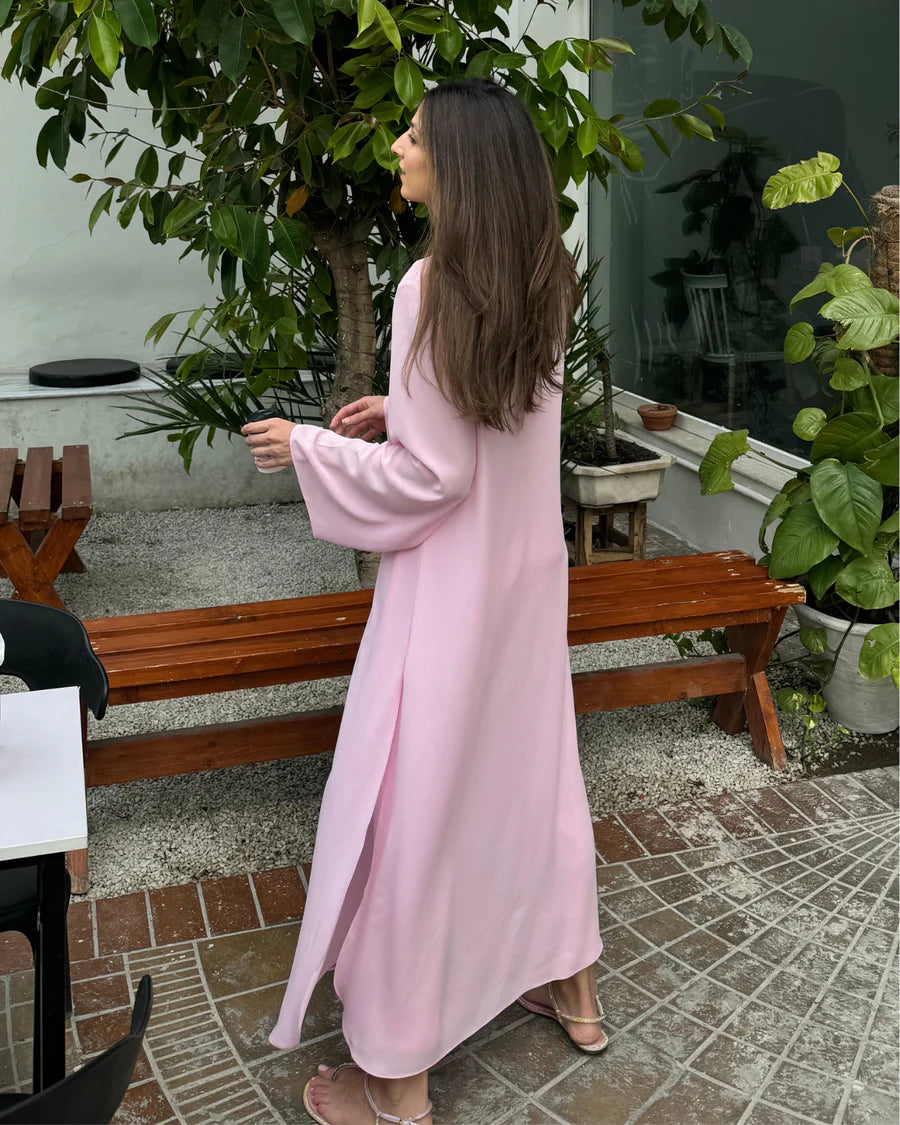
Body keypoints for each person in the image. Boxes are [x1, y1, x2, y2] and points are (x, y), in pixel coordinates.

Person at [242, 76, 606, 1125]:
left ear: (459, 161)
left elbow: (434, 479)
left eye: (413, 134)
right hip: (525, 581)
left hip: (448, 595)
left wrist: (306, 446)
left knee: (418, 802)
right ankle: (574, 992)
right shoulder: (544, 270)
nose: (399, 148)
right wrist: (402, 405)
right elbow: (490, 419)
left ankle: (397, 1081)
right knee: (533, 780)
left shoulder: (430, 284)